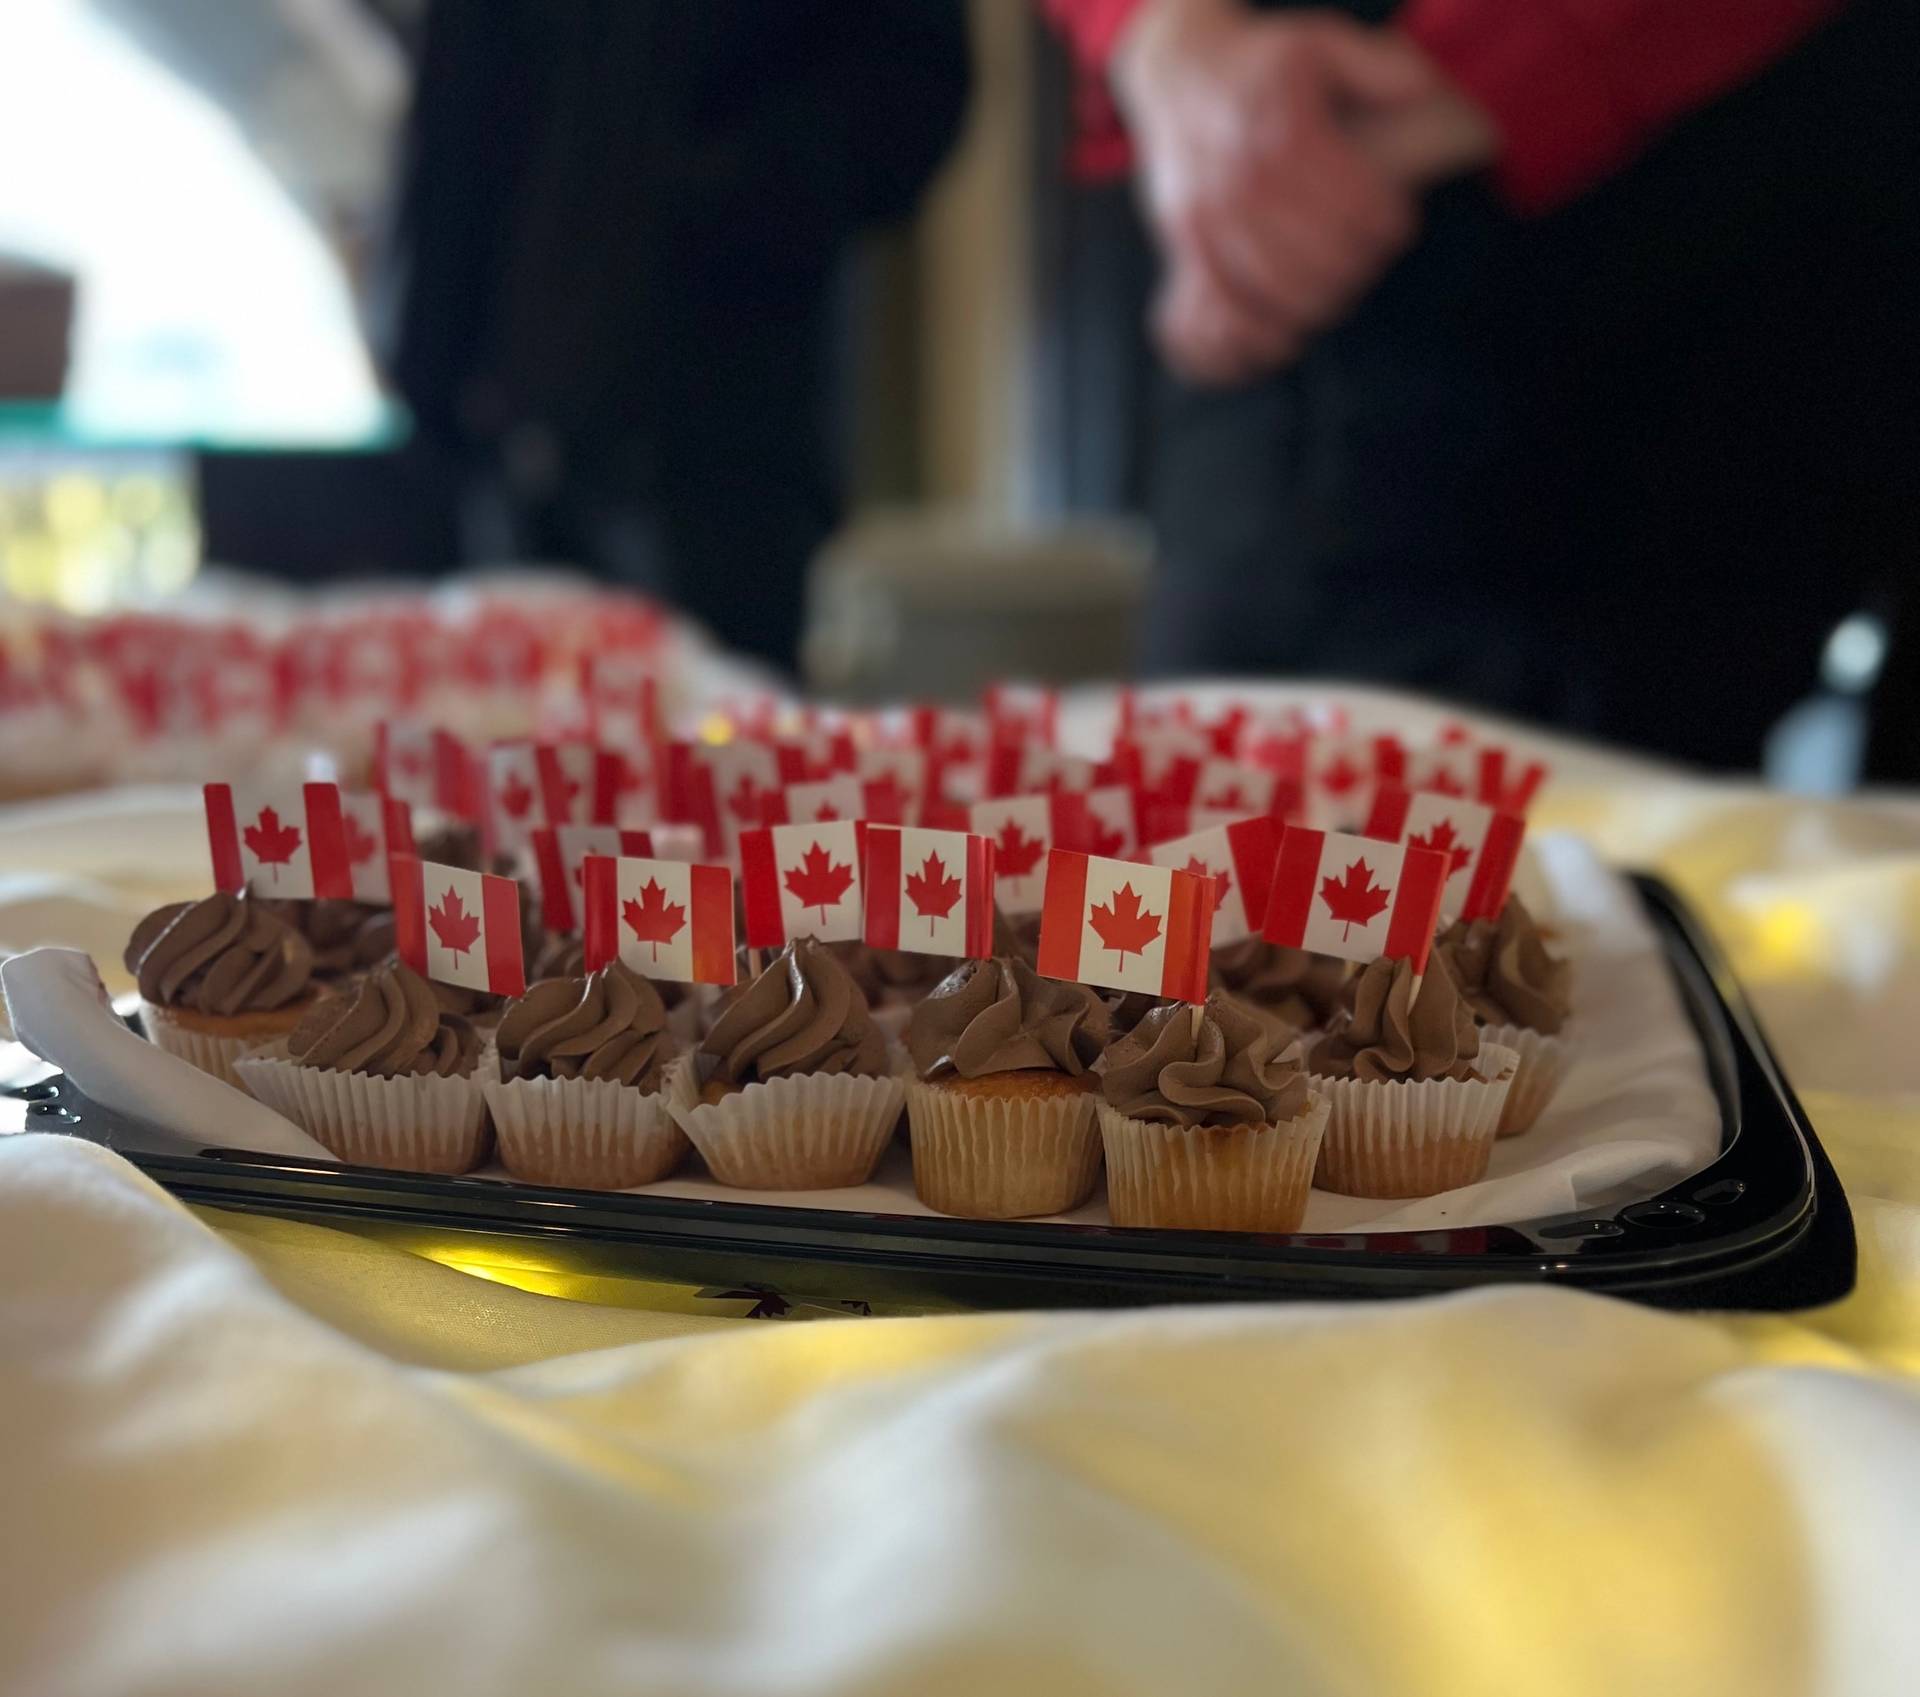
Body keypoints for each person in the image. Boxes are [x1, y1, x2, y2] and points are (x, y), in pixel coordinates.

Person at [1041, 0, 1920, 768]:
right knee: (1229, 829)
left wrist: (1499, 70)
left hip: (1685, 223)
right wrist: (1163, 37)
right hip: (1270, 213)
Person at [377, 1, 970, 672]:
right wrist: (426, 352)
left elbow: (915, 81)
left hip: (722, 424)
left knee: (724, 721)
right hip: (504, 415)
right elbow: (458, 95)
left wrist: (733, 194)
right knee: (517, 711)